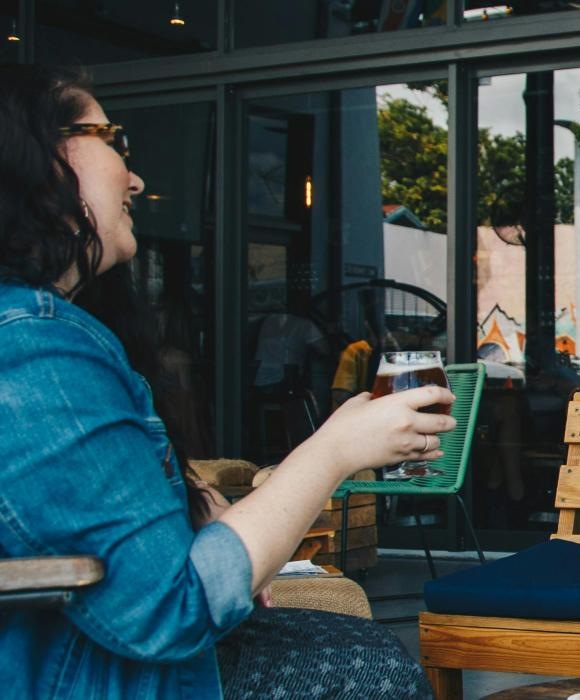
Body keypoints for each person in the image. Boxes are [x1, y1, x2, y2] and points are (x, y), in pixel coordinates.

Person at [0, 64, 452, 698]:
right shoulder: (32, 348)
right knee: (365, 666)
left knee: (359, 646)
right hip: (78, 676)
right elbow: (170, 608)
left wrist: (196, 506)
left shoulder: (41, 333)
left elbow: (89, 514)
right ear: (39, 157)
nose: (135, 177)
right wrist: (333, 450)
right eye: (113, 140)